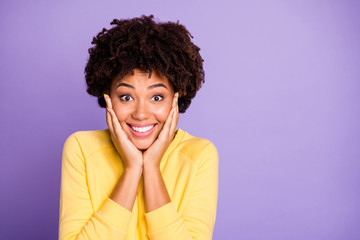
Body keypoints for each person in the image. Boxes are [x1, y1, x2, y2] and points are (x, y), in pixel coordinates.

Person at [58, 15, 218, 240]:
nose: (141, 114)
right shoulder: (81, 149)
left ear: (176, 98)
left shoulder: (199, 154)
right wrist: (132, 169)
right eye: (126, 97)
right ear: (108, 98)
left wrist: (151, 167)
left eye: (156, 97)